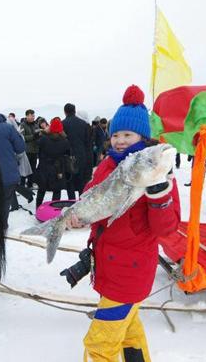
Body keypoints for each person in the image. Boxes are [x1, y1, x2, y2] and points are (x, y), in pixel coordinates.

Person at [66, 85, 180, 362]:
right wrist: (80, 216)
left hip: (129, 273)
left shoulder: (157, 172)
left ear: (142, 136)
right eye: (115, 134)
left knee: (99, 347)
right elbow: (94, 202)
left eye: (127, 134)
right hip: (107, 265)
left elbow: (167, 229)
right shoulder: (108, 164)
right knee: (129, 333)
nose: (119, 140)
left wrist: (158, 195)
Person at [33, 117, 70, 209]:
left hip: (44, 166)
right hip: (58, 168)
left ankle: (38, 208)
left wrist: (43, 132)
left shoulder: (44, 139)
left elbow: (36, 142)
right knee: (57, 191)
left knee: (41, 189)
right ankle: (54, 210)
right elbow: (68, 152)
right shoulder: (65, 141)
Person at [62, 103, 93, 199]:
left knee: (69, 181)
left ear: (65, 112)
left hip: (68, 156)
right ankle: (81, 201)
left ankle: (71, 202)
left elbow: (62, 142)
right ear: (75, 111)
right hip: (82, 155)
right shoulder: (84, 124)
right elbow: (88, 143)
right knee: (81, 181)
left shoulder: (63, 124)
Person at [19, 109, 40, 188]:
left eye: (33, 116)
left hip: (34, 150)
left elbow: (37, 134)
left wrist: (39, 135)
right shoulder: (22, 125)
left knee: (32, 168)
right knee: (25, 169)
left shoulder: (36, 125)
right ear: (27, 116)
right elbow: (22, 137)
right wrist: (33, 136)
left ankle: (30, 184)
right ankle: (22, 185)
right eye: (31, 116)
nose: (33, 117)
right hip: (27, 150)